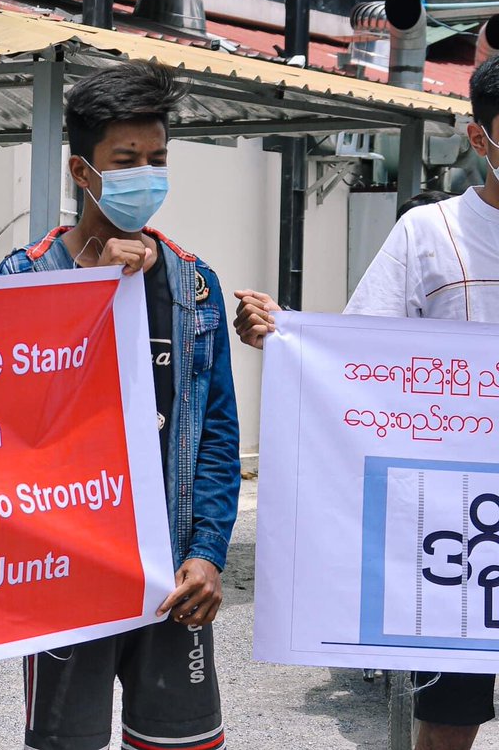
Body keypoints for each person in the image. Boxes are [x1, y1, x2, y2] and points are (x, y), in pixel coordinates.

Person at [233, 56, 499, 750]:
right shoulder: (429, 233)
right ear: (479, 139)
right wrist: (289, 340)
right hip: (460, 528)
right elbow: (362, 358)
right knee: (449, 716)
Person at [0, 60, 240, 750]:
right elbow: (4, 425)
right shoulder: (26, 277)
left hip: (175, 578)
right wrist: (85, 300)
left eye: (157, 158)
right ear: (81, 170)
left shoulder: (195, 285)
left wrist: (209, 553)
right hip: (69, 577)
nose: (145, 174)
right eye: (125, 159)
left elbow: (218, 433)